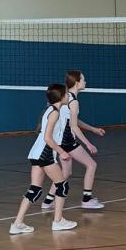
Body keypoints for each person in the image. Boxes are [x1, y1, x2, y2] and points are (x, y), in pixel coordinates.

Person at [11, 85, 77, 235]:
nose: (68, 96)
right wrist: (62, 152)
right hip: (45, 154)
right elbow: (48, 138)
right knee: (62, 186)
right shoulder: (54, 113)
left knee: (35, 189)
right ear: (61, 96)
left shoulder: (50, 110)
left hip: (36, 154)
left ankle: (17, 223)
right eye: (66, 94)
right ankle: (58, 221)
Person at [41, 70, 105, 210]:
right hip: (68, 141)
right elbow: (74, 126)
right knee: (91, 165)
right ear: (77, 83)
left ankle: (48, 201)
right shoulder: (73, 101)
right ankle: (87, 199)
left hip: (60, 141)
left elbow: (73, 120)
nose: (85, 82)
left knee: (65, 173)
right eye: (83, 80)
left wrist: (93, 129)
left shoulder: (65, 97)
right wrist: (88, 144)